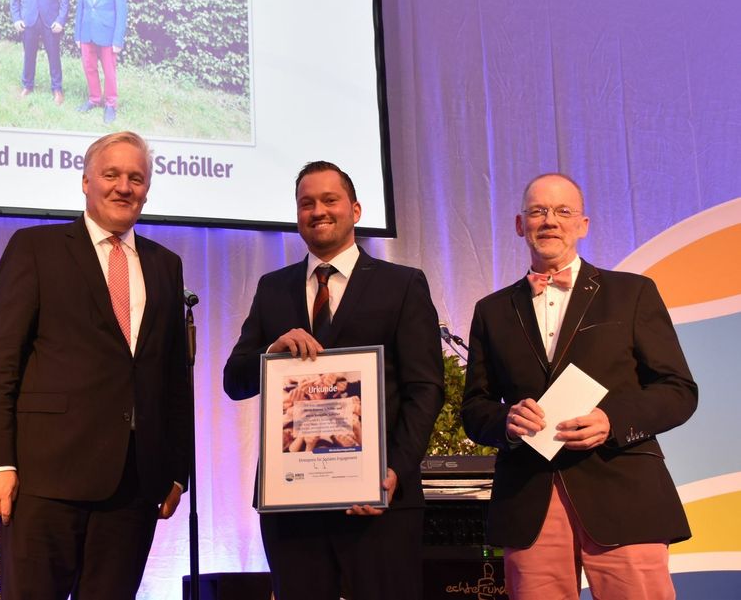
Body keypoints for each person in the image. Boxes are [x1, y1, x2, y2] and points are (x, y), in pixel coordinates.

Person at [0, 131, 191, 600]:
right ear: (86, 182)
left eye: (136, 178)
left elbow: (174, 378)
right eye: (111, 175)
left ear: (147, 189)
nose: (124, 187)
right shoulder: (36, 248)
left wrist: (176, 470)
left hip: (134, 486)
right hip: (43, 480)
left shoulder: (165, 265)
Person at [461, 173, 698, 600]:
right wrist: (506, 421)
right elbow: (475, 408)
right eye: (537, 211)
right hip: (530, 496)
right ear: (519, 225)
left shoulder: (632, 293)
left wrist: (612, 421)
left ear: (583, 224)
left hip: (623, 490)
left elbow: (678, 390)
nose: (549, 220)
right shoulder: (492, 311)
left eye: (562, 211)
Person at [223, 161, 444, 600]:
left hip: (378, 499)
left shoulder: (402, 285)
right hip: (293, 507)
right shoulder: (273, 288)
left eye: (329, 200)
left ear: (355, 210)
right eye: (306, 203)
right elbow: (235, 380)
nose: (318, 211)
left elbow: (425, 388)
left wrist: (394, 469)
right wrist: (270, 354)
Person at [9, 0, 68, 104]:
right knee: (29, 55)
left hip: (51, 22)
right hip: (28, 21)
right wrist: (16, 18)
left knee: (54, 56)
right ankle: (27, 86)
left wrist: (60, 21)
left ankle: (57, 89)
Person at [74, 0, 128, 124]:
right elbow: (80, 11)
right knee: (89, 68)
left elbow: (121, 16)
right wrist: (77, 35)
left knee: (109, 71)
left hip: (108, 36)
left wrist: (118, 40)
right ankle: (94, 98)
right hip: (86, 34)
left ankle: (111, 104)